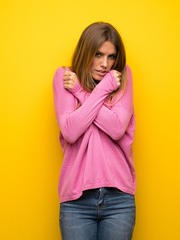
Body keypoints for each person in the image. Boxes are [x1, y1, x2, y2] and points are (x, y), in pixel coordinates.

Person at [52, 21, 136, 240]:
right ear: (85, 51)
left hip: (119, 200)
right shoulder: (64, 77)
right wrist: (100, 90)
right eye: (98, 54)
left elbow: (117, 128)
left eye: (111, 57)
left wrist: (81, 91)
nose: (104, 64)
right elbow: (71, 131)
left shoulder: (122, 77)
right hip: (76, 202)